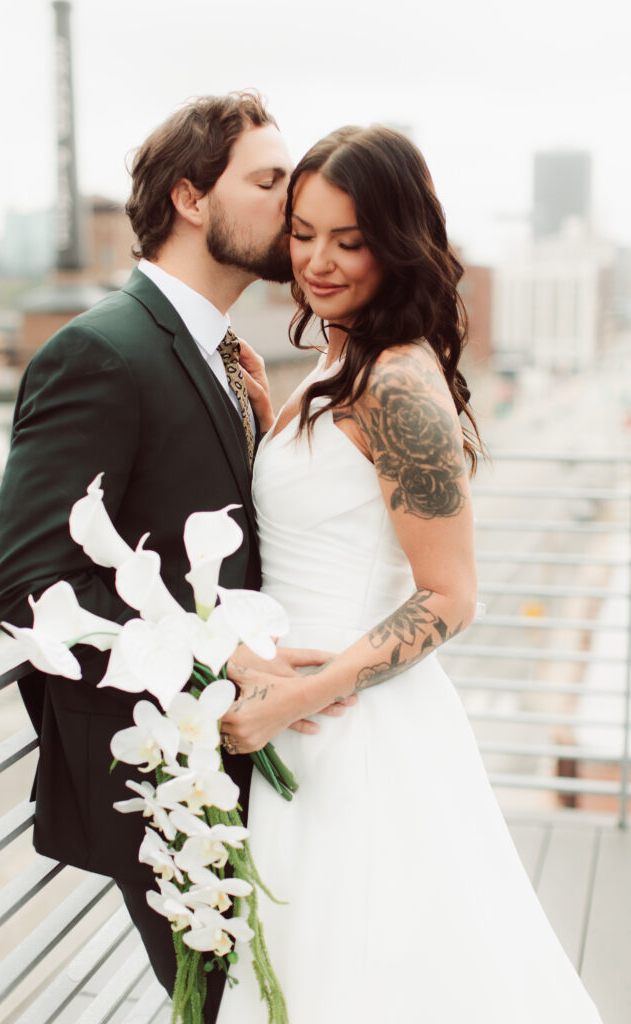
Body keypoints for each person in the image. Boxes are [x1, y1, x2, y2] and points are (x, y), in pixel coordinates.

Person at [216, 126, 604, 1022]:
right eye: (303, 231)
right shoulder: (340, 358)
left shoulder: (396, 383)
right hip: (308, 722)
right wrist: (278, 423)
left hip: (351, 728)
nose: (316, 261)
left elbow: (450, 597)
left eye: (347, 241)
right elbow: (340, 496)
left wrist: (291, 702)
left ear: (397, 241)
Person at [0, 92, 351, 1024]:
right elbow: (26, 583)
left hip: (246, 745)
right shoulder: (100, 353)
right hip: (160, 779)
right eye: (269, 182)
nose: (293, 202)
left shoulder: (222, 356)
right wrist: (212, 660)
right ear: (192, 199)